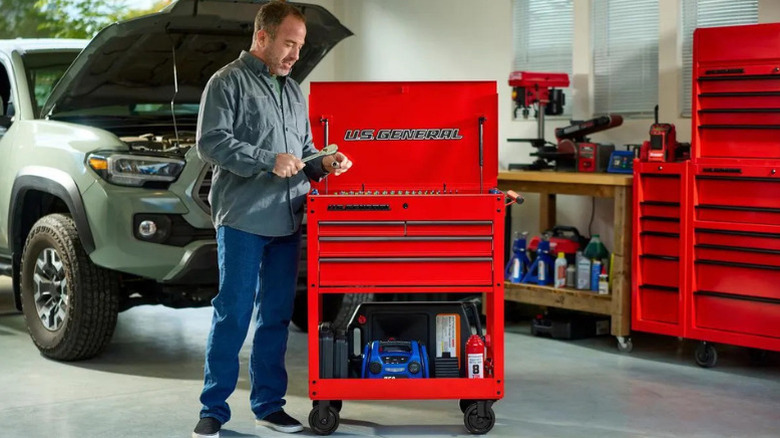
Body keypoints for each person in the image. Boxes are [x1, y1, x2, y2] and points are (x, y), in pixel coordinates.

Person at [192, 2, 352, 437]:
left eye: (300, 46)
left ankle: (268, 406)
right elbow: (211, 142)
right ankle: (213, 410)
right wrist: (267, 159)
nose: (295, 55)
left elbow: (304, 151)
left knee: (276, 317)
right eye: (288, 43)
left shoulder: (293, 91)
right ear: (262, 37)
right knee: (233, 314)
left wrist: (326, 162)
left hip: (288, 219)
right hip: (243, 219)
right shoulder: (226, 82)